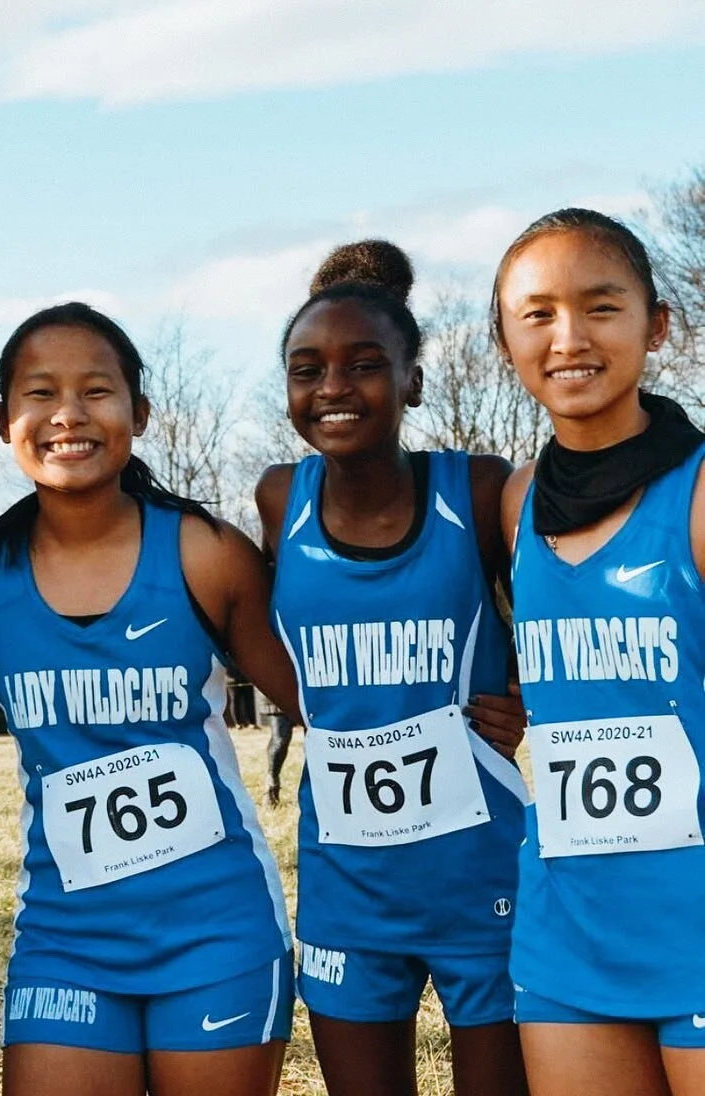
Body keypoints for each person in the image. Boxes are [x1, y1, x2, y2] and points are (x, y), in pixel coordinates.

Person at [0, 302, 300, 1096]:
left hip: (217, 929)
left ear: (140, 413)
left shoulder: (206, 552)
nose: (68, 416)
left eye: (96, 391)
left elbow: (318, 697)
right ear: (3, 417)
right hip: (65, 936)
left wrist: (486, 701)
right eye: (39, 393)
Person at [258, 241, 529, 1096]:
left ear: (412, 381)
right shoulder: (278, 501)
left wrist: (533, 699)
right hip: (349, 885)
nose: (334, 387)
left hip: (481, 873)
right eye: (309, 368)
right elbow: (244, 630)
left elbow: (563, 606)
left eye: (366, 364)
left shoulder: (478, 491)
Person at [494, 208, 705, 1096]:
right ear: (505, 340)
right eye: (537, 313)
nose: (568, 337)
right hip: (568, 926)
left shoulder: (697, 497)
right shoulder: (517, 500)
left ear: (659, 325)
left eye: (601, 307)